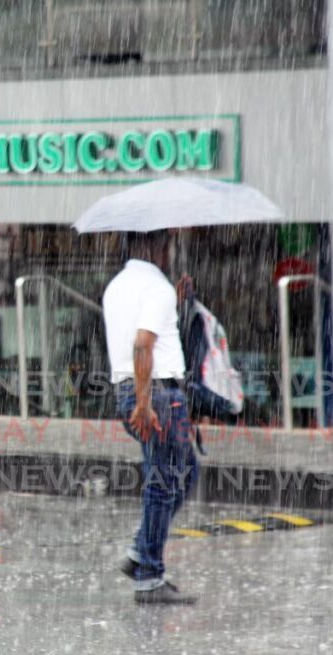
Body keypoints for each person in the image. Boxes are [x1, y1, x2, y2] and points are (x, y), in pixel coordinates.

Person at [103, 230, 198, 605]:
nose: (171, 251)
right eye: (168, 244)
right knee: (166, 480)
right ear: (155, 246)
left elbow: (137, 329)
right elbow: (142, 343)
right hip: (155, 393)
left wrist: (172, 300)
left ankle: (143, 553)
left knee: (181, 471)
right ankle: (148, 574)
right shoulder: (154, 289)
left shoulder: (120, 285)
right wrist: (145, 403)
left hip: (131, 389)